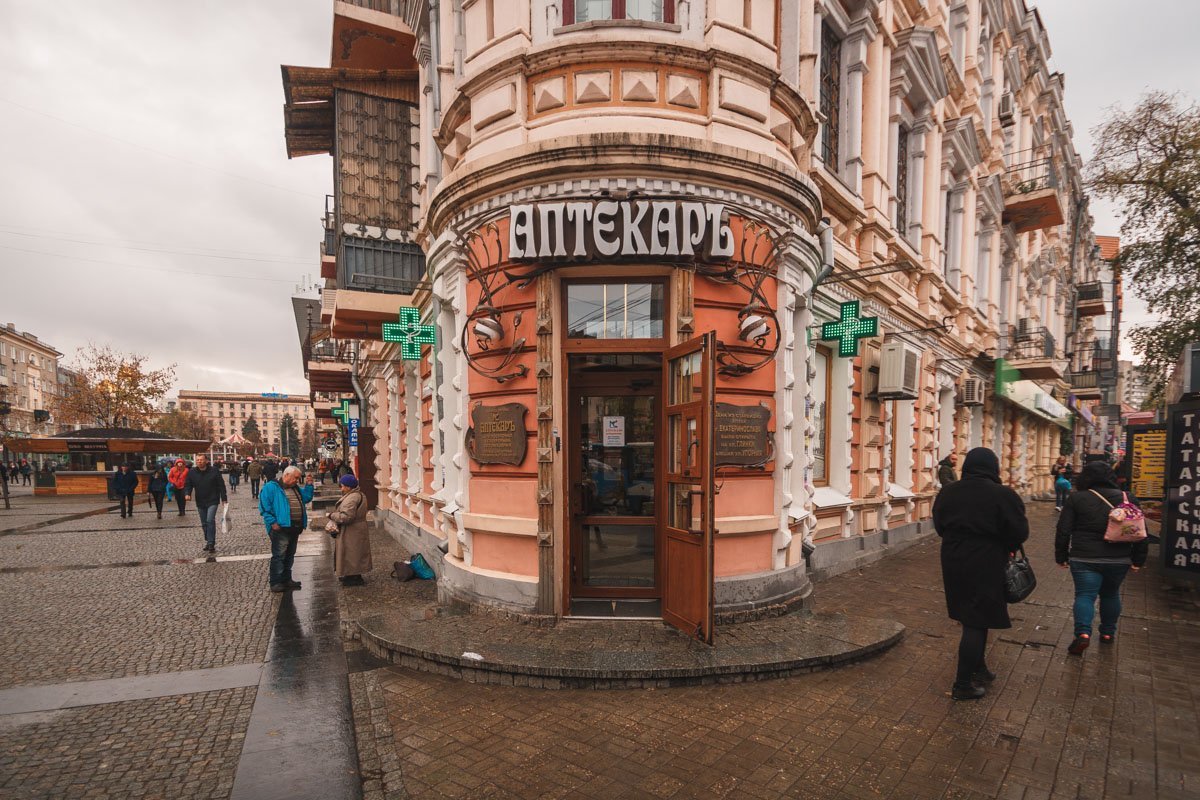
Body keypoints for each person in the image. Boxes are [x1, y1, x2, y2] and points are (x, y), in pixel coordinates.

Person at [933, 447, 1030, 701]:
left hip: (953, 558)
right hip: (987, 560)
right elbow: (1019, 532)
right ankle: (963, 684)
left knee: (973, 615)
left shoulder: (949, 492)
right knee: (976, 620)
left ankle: (979, 667)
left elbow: (939, 525)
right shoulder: (1003, 495)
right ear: (993, 468)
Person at [1055, 460, 1148, 654]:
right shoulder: (1127, 497)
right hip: (1119, 558)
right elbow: (1140, 530)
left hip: (1084, 557)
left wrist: (1061, 556)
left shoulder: (1077, 498)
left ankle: (1083, 634)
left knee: (1085, 595)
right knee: (1111, 594)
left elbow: (1063, 530)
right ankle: (1107, 633)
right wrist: (1138, 560)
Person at [258, 466, 315, 593]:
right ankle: (276, 582)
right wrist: (273, 522)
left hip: (294, 527)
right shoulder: (271, 487)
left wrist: (309, 485)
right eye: (295, 478)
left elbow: (306, 498)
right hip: (280, 528)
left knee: (289, 555)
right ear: (286, 475)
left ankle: (286, 579)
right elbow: (264, 507)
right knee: (279, 555)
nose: (297, 480)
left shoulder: (295, 488)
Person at [326, 474, 372, 586]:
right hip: (356, 529)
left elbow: (347, 517)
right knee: (354, 553)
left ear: (348, 487)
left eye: (342, 486)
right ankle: (351, 575)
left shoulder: (352, 498)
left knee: (351, 553)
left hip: (352, 530)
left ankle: (354, 577)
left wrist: (331, 515)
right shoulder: (358, 494)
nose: (341, 488)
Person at [184, 454, 228, 553]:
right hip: (200, 500)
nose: (199, 461)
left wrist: (224, 498)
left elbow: (221, 485)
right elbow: (188, 484)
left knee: (209, 520)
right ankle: (208, 540)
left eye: (201, 460)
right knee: (204, 522)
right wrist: (187, 493)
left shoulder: (214, 471)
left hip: (213, 499)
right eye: (198, 460)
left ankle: (211, 543)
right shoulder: (192, 472)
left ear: (206, 461)